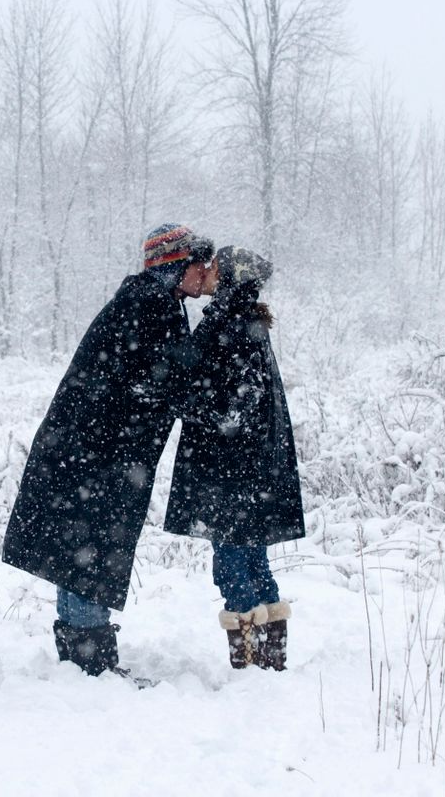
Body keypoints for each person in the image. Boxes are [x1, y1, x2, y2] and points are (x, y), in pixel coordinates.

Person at [2, 223, 216, 677]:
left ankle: (80, 660)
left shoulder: (150, 301)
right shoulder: (151, 306)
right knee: (89, 548)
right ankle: (88, 665)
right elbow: (173, 382)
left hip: (88, 450)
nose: (206, 272)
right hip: (96, 455)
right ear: (177, 265)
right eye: (200, 263)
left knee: (80, 548)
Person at [164, 245, 305, 671]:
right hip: (247, 470)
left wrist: (183, 401)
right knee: (253, 561)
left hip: (229, 471)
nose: (206, 270)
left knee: (232, 567)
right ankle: (269, 656)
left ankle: (250, 662)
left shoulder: (231, 324)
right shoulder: (245, 322)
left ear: (231, 279)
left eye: (216, 266)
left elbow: (236, 406)